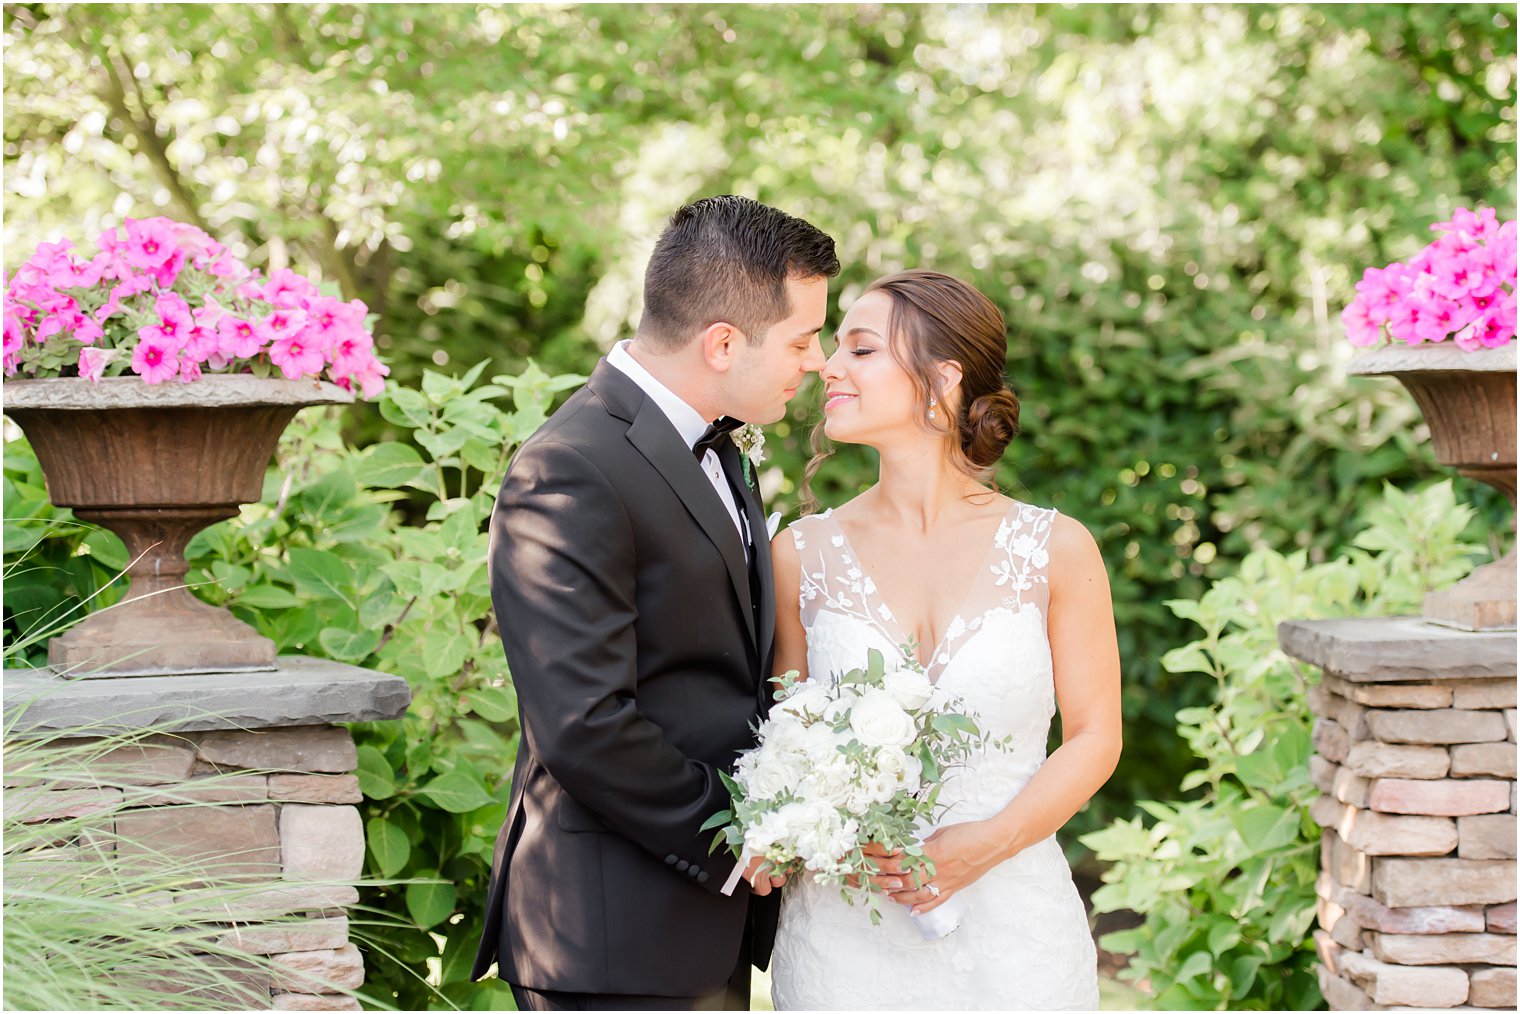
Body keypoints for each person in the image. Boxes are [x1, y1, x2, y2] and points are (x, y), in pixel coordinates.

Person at [469, 195, 839, 1011]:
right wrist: (738, 838)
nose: (816, 362)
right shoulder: (571, 468)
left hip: (695, 931)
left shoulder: (718, 444)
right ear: (722, 343)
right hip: (609, 933)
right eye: (804, 339)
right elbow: (583, 720)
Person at [768, 269, 1122, 1010]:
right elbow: (784, 731)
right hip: (845, 934)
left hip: (1016, 933)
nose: (827, 367)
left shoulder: (1055, 548)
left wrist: (986, 843)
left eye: (860, 350)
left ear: (943, 376)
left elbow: (1095, 737)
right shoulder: (801, 554)